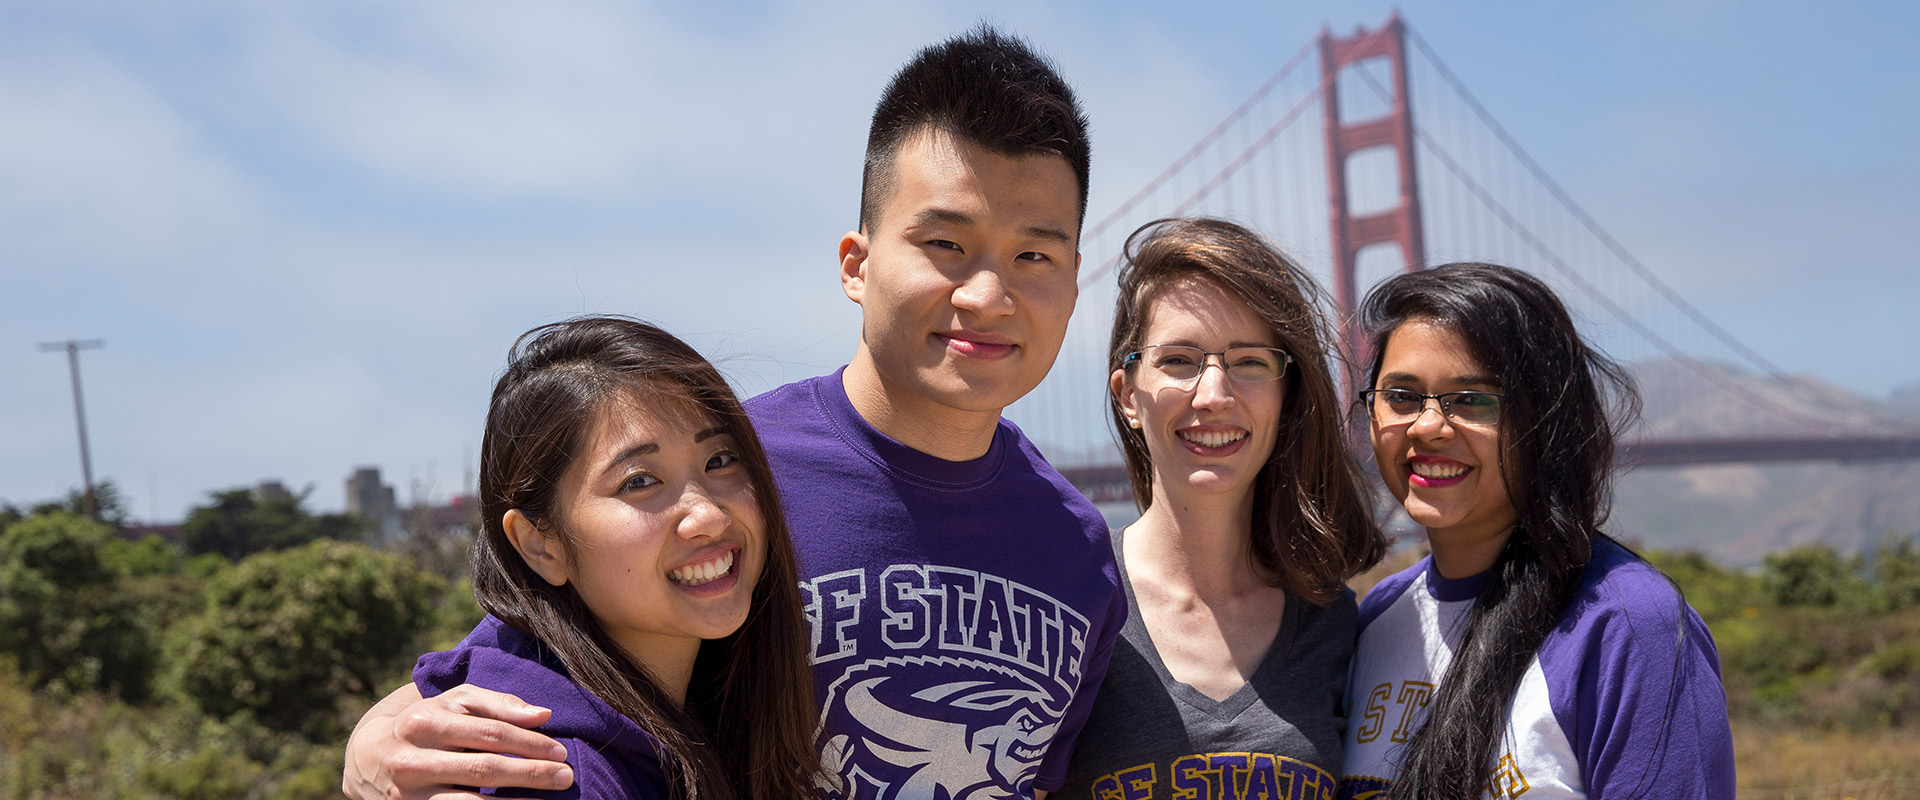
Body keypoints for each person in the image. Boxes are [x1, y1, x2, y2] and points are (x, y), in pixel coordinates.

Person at [342, 26, 1125, 800]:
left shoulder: (1078, 548)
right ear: (857, 265)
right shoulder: (723, 484)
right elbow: (523, 666)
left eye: (1034, 256)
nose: (987, 295)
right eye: (946, 245)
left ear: (1075, 279)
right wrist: (372, 742)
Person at [1339, 263, 1735, 799]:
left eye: (1473, 399)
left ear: (1546, 421)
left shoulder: (1627, 626)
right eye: (1401, 397)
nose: (1428, 426)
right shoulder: (1380, 616)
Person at [415, 316, 818, 798]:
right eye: (639, 482)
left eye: (720, 460)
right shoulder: (550, 771)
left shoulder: (702, 711)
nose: (707, 515)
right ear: (541, 544)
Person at [1053, 218, 1386, 800]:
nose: (1213, 395)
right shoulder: (1067, 605)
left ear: (1286, 398)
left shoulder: (1333, 625)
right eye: (1179, 360)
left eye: (1250, 362)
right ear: (1128, 395)